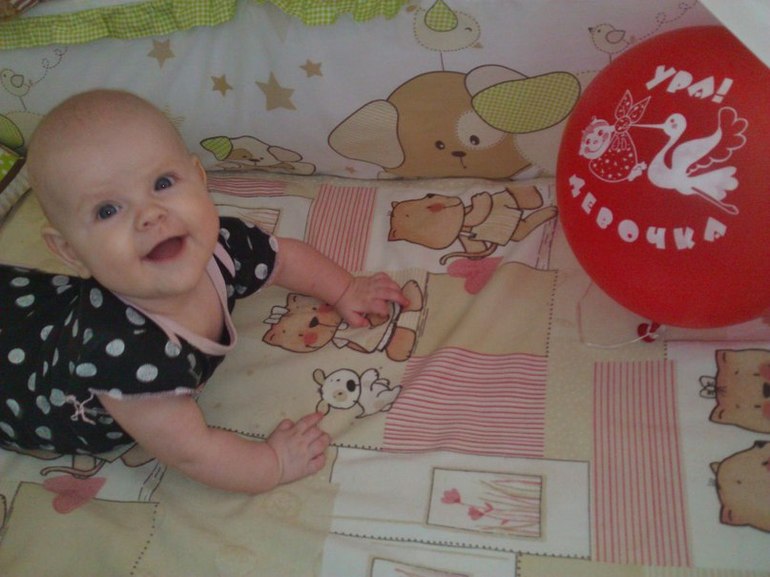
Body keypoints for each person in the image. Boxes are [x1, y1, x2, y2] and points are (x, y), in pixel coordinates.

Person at [0, 89, 408, 493]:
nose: (150, 215)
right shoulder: (124, 356)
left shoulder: (222, 247)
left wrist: (346, 288)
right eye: (108, 210)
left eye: (162, 182)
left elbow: (284, 259)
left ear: (198, 177)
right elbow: (192, 452)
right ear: (70, 251)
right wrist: (274, 463)